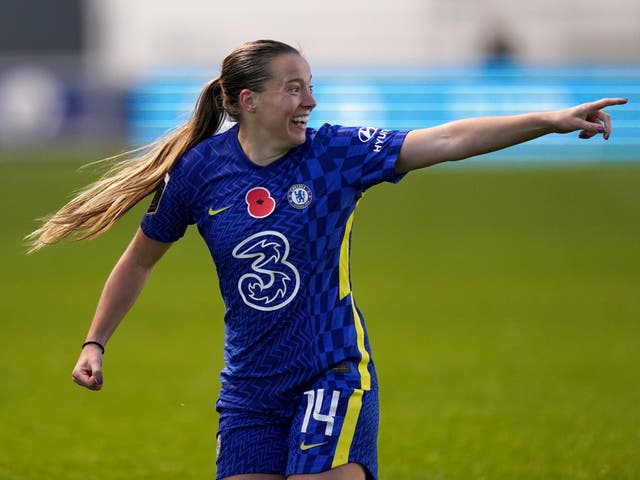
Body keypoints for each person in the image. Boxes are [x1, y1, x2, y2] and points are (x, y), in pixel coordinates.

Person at [27, 39, 627, 480]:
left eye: (309, 86)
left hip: (332, 371)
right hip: (250, 389)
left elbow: (445, 139)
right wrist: (94, 342)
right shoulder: (200, 173)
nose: (309, 100)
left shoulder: (335, 153)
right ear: (249, 101)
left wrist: (546, 120)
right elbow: (138, 261)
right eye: (294, 88)